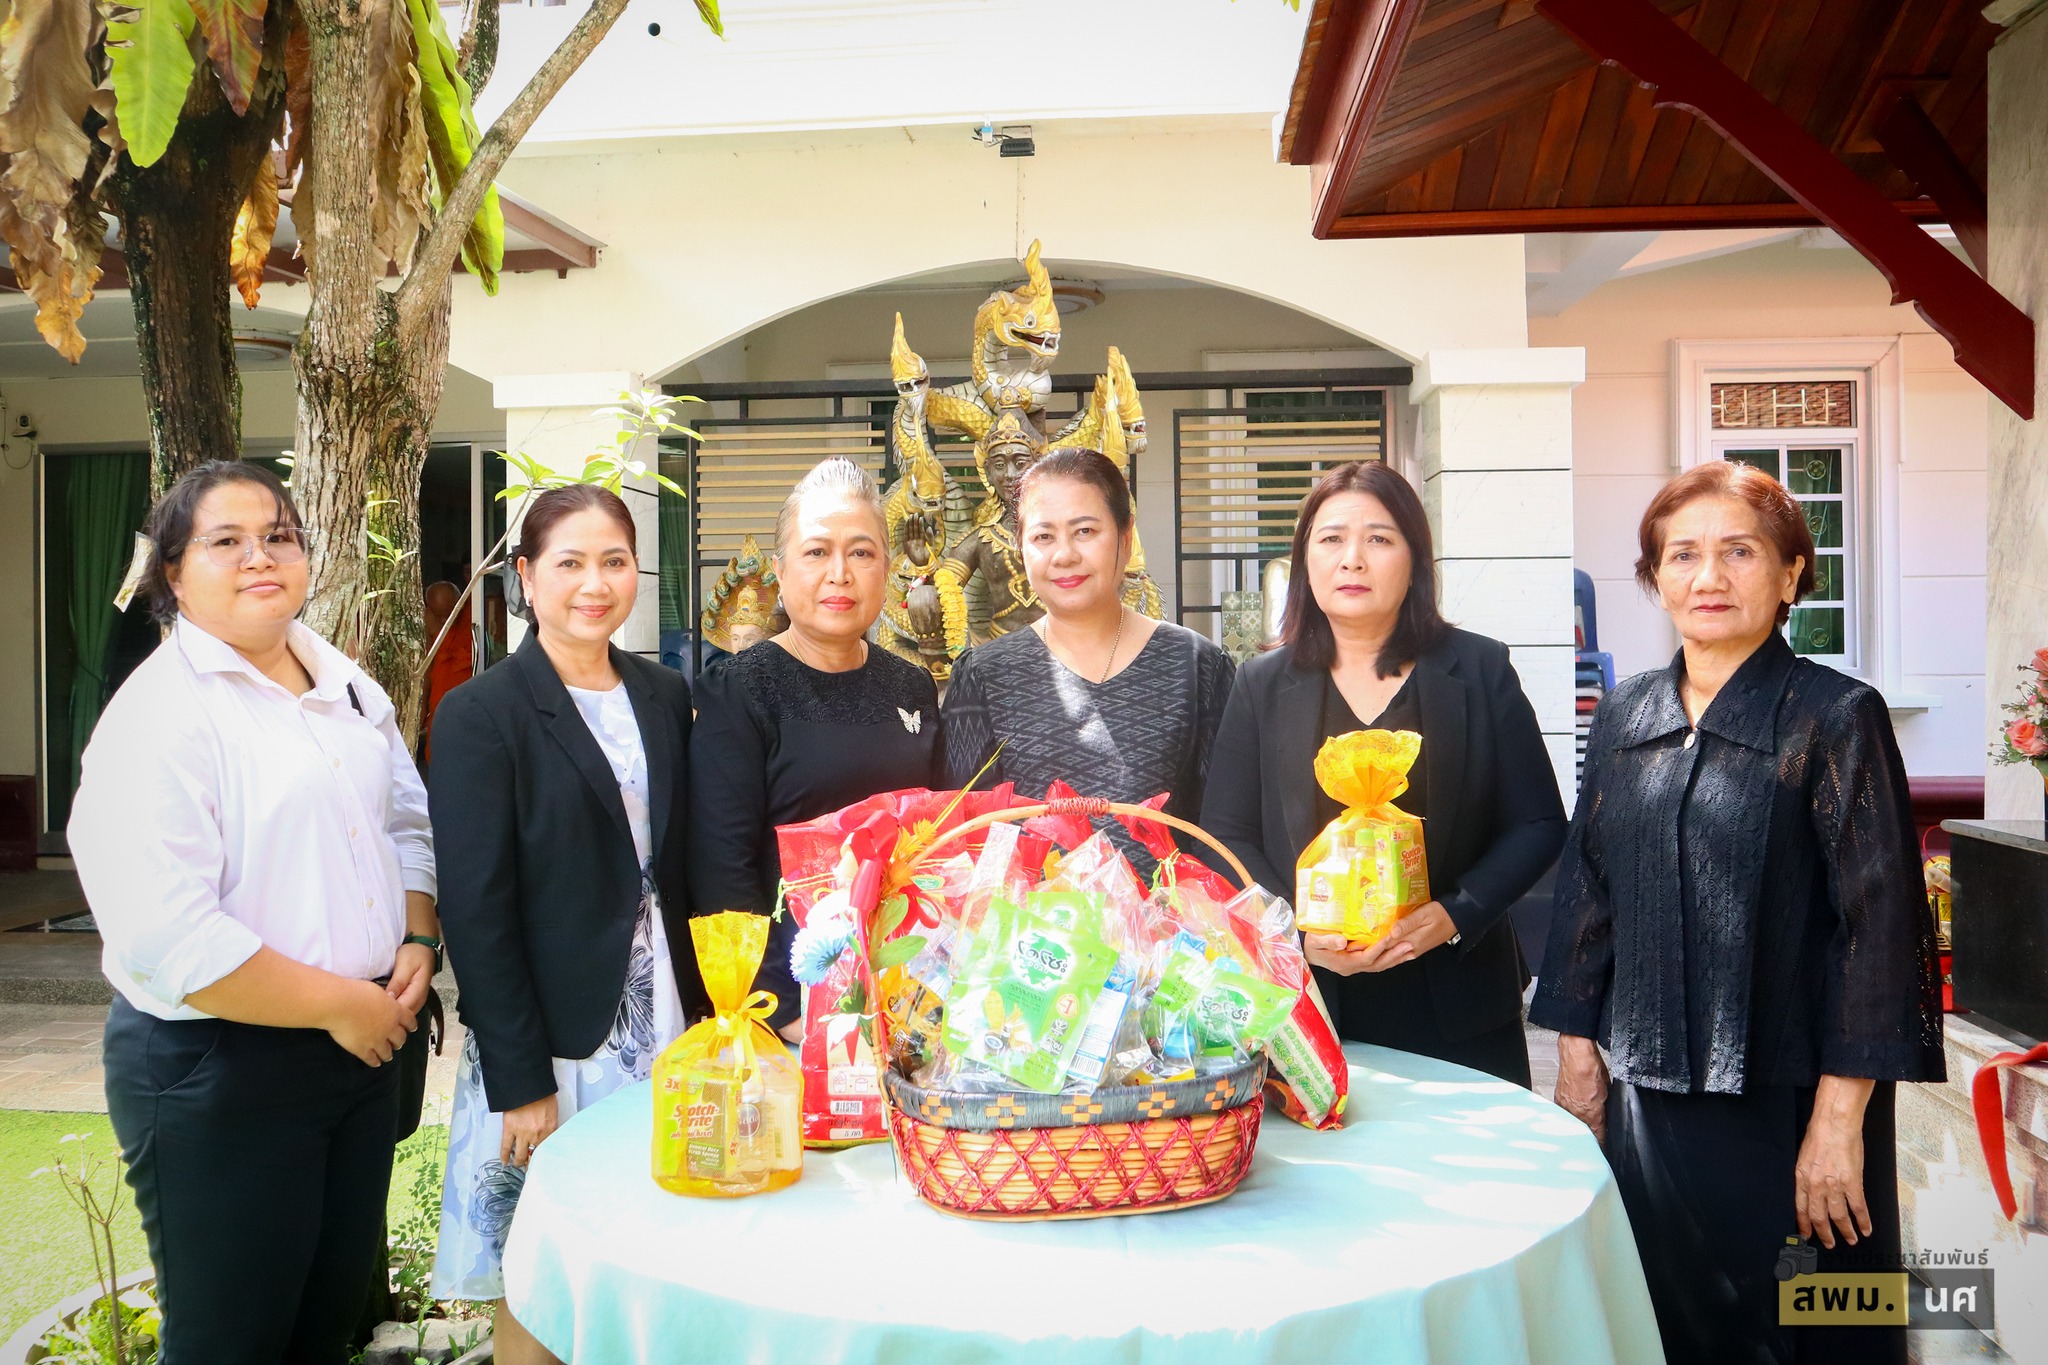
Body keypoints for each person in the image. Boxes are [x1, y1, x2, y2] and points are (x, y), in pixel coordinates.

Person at [1531, 460, 1943, 1365]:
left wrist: (1837, 1124)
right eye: (1681, 555)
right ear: (1655, 577)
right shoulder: (1627, 711)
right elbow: (1588, 891)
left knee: (1824, 1323)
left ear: (1791, 573)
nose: (1707, 577)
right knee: (1667, 1322)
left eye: (1738, 552)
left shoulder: (1836, 716)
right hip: (1652, 1105)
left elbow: (1881, 930)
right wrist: (1576, 1061)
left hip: (1798, 1105)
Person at [70, 460, 438, 1365]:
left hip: (358, 1054)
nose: (259, 556)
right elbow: (167, 935)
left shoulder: (340, 679)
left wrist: (418, 930)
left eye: (278, 535)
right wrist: (336, 1003)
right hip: (221, 1066)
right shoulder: (158, 716)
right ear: (171, 572)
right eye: (225, 541)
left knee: (325, 1322)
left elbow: (403, 815)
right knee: (230, 1341)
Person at [428, 485, 696, 1364]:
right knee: (543, 1272)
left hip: (667, 1025)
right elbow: (476, 905)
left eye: (613, 561)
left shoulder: (664, 694)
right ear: (526, 577)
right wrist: (519, 1077)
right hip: (553, 1039)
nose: (595, 582)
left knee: (657, 1255)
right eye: (570, 563)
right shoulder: (482, 712)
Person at [1200, 460, 1564, 1086]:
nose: (1353, 560)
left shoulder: (1477, 669)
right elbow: (1226, 831)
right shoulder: (1262, 683)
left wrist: (1455, 915)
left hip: (1457, 999)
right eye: (1332, 538)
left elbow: (1536, 821)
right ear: (1304, 560)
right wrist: (1291, 933)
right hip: (1309, 999)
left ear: (1415, 561)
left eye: (1379, 538)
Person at [688, 458, 942, 1038]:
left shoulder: (911, 686)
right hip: (794, 1008)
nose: (840, 573)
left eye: (861, 552)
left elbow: (934, 843)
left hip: (908, 991)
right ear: (780, 570)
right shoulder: (739, 690)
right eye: (816, 552)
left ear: (887, 567)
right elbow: (722, 869)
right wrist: (780, 1006)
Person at [941, 449, 1234, 868]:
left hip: (1172, 928)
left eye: (1084, 531)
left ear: (1125, 537)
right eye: (1044, 536)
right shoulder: (985, 675)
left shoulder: (1195, 665)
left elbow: (1223, 831)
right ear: (1021, 547)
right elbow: (966, 832)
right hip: (1029, 930)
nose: (1064, 556)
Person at [419, 579, 474, 764]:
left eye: (448, 614)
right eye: (439, 615)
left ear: (459, 602)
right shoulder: (427, 619)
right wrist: (423, 705)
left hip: (467, 701)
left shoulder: (474, 615)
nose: (444, 622)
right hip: (440, 701)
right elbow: (427, 665)